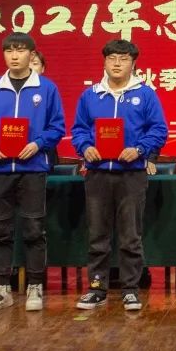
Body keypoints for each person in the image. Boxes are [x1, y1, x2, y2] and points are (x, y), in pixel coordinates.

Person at [0, 32, 65, 313]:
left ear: (31, 55)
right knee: (0, 230)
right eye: (9, 50)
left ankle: (35, 286)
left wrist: (38, 144)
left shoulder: (46, 88)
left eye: (20, 50)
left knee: (34, 229)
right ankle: (2, 288)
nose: (14, 55)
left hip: (32, 168)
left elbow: (57, 127)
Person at [71, 39, 168, 312]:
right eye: (112, 58)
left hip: (131, 175)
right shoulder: (90, 95)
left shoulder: (145, 94)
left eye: (123, 58)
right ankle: (97, 288)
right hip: (98, 174)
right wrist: (85, 147)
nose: (117, 63)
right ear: (104, 61)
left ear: (133, 63)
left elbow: (158, 130)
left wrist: (139, 149)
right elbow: (79, 129)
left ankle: (130, 290)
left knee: (130, 236)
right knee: (97, 235)